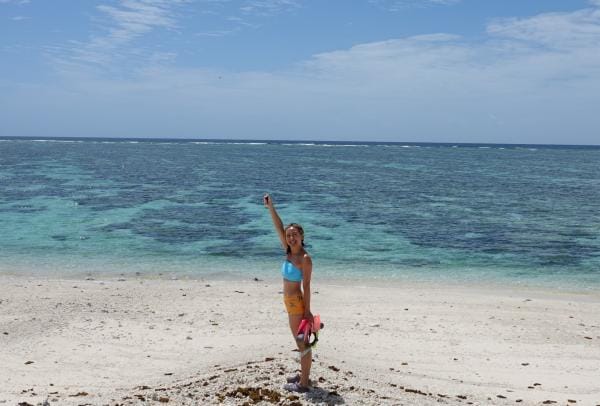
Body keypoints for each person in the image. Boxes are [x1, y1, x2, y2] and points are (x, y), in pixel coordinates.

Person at [264, 193, 313, 393]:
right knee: (300, 341)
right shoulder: (288, 251)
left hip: (297, 304)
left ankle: (303, 383)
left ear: (302, 236)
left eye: (294, 235)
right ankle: (304, 376)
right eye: (288, 235)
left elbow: (307, 286)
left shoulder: (305, 258)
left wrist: (308, 311)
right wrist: (271, 208)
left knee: (302, 342)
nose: (291, 237)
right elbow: (279, 225)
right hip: (289, 302)